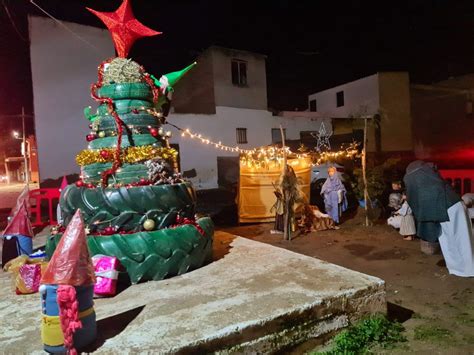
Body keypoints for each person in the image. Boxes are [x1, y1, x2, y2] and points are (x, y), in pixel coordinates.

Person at [404, 160, 474, 277]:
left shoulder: (431, 183)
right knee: (447, 240)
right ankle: (456, 268)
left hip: (451, 209)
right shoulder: (430, 181)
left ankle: (466, 269)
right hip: (447, 209)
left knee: (460, 239)